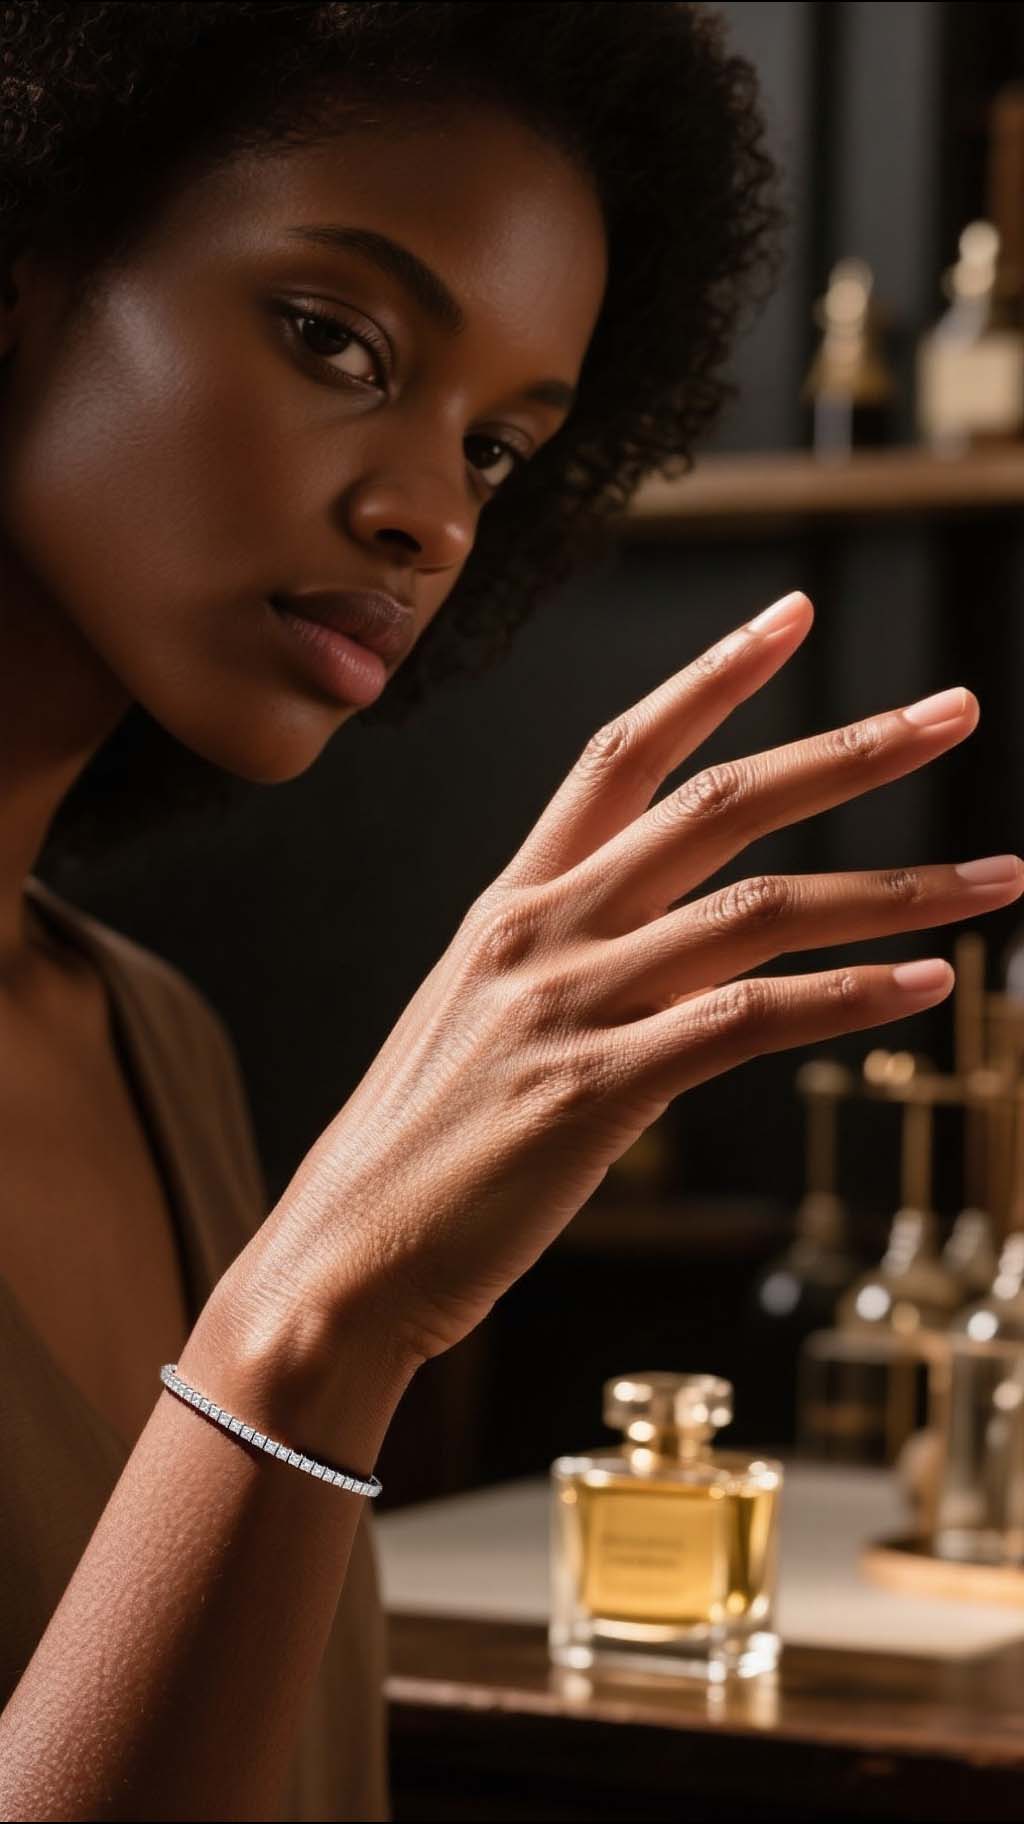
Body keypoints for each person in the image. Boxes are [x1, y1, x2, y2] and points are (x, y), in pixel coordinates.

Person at [0, 4, 1020, 1819]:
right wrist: (313, 1328)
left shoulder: (151, 1045)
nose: (436, 524)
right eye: (337, 338)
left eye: (499, 450)